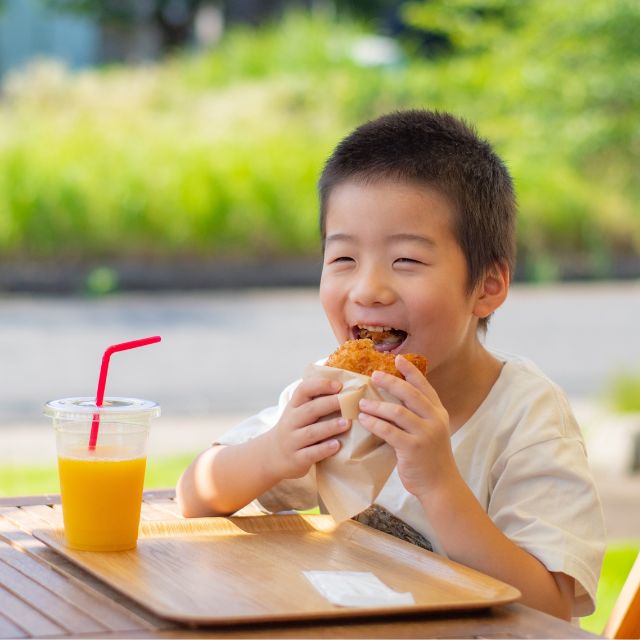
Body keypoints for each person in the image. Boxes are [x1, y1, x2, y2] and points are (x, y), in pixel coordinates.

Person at [177, 110, 605, 621]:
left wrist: (439, 482)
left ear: (487, 287)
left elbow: (551, 607)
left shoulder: (527, 418)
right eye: (343, 260)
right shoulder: (335, 395)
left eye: (406, 261)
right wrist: (273, 453)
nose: (368, 290)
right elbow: (195, 493)